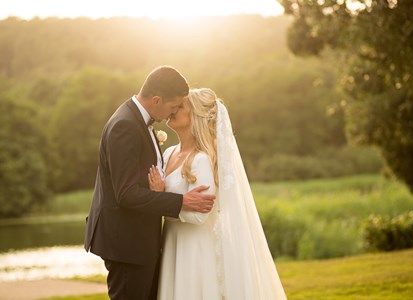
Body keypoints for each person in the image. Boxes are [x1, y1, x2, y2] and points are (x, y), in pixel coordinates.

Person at [84, 66, 216, 300]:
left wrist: (162, 192)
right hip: (127, 245)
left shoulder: (136, 121)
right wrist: (182, 201)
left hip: (140, 243)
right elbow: (126, 194)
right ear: (156, 100)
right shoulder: (126, 126)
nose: (172, 113)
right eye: (173, 106)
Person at [148, 88, 287, 299]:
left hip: (193, 249)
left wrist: (160, 200)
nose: (173, 109)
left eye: (180, 106)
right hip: (172, 244)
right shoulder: (168, 153)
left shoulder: (201, 160)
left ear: (195, 116)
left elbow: (200, 215)